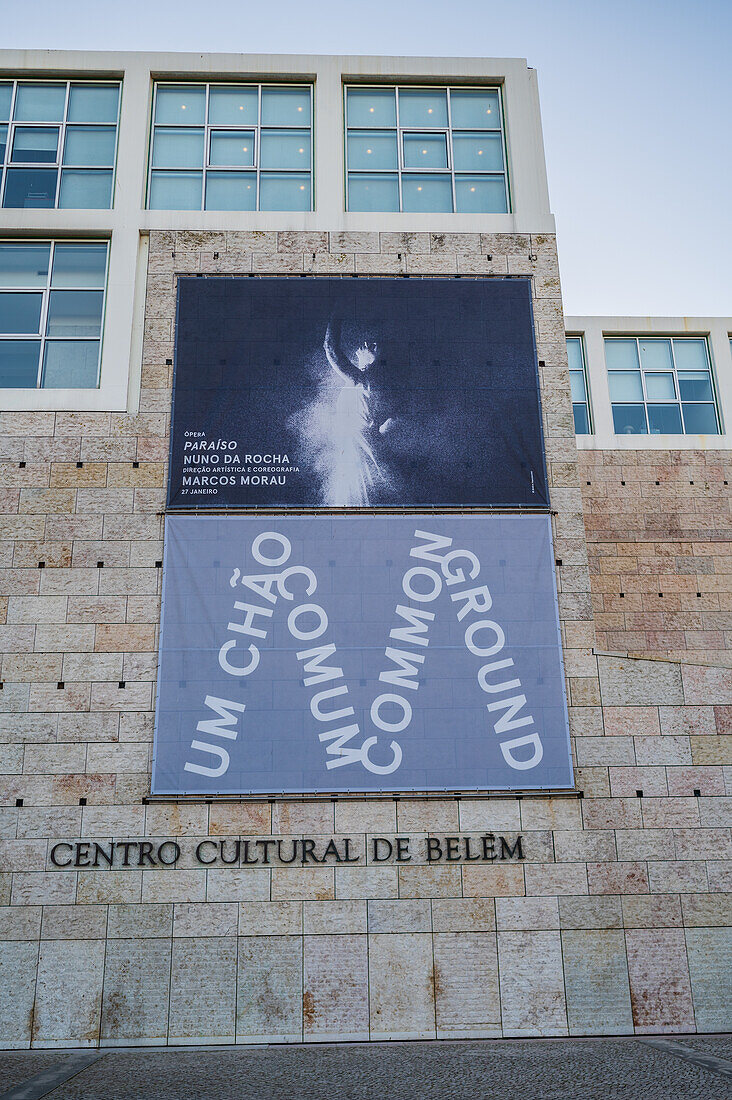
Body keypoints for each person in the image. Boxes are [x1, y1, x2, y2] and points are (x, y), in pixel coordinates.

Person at [319, 317, 396, 505]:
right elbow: (386, 425)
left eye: (374, 345)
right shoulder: (368, 383)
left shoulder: (363, 380)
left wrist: (335, 310)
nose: (365, 344)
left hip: (357, 455)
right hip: (357, 452)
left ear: (381, 358)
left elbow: (330, 347)